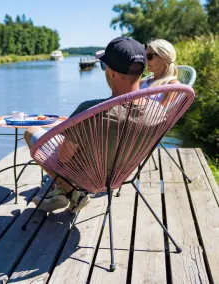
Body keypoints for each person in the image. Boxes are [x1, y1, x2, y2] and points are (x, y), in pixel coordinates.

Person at [24, 37, 150, 213]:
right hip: (120, 176)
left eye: (103, 66)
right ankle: (63, 194)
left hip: (86, 178)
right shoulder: (156, 111)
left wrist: (63, 134)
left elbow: (63, 157)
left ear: (111, 72)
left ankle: (71, 191)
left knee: (32, 132)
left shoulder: (91, 111)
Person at [140, 39, 179, 105]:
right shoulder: (143, 82)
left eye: (149, 56)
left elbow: (161, 112)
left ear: (164, 58)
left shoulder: (172, 85)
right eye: (145, 56)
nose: (146, 60)